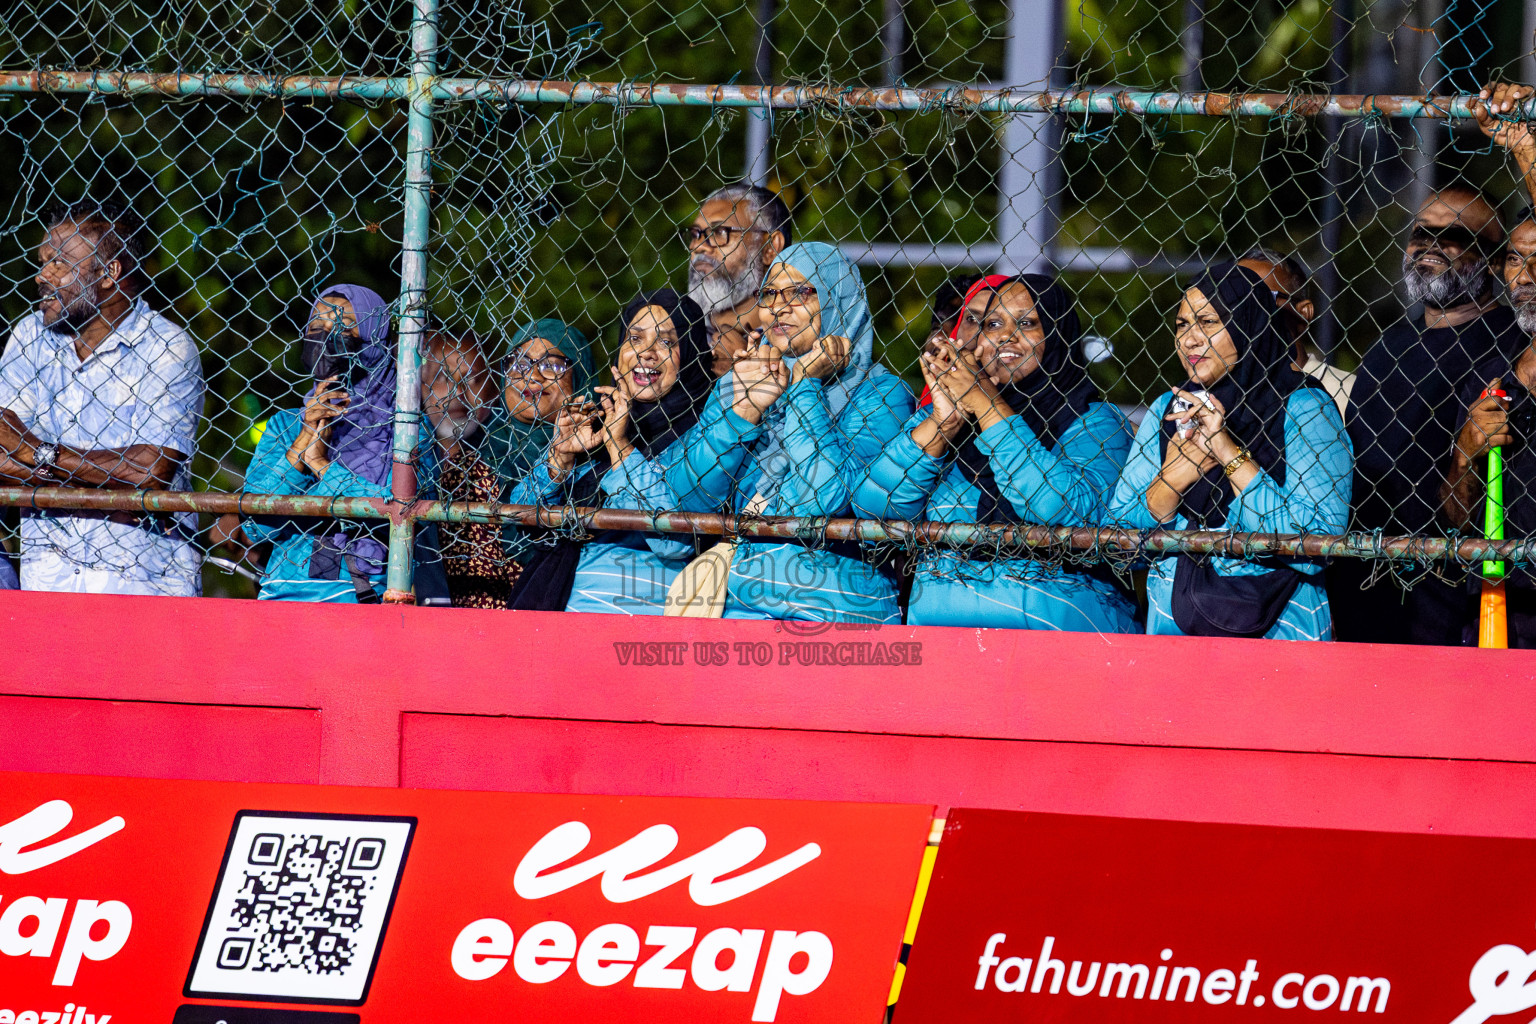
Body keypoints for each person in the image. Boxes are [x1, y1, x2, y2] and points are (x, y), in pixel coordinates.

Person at [852, 274, 1138, 631]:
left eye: (1027, 323)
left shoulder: (1092, 421)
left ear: (1057, 334)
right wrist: (945, 422)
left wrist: (988, 406)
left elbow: (1055, 507)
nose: (1006, 335)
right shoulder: (944, 414)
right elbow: (873, 506)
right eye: (994, 323)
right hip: (939, 627)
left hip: (1055, 630)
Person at [664, 241, 915, 622]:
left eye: (800, 291)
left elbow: (824, 501)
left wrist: (803, 387)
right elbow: (686, 500)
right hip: (733, 606)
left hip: (831, 608)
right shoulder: (741, 381)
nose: (779, 306)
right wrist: (742, 413)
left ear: (837, 299)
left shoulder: (883, 395)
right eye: (769, 293)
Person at [1109, 263, 1351, 640]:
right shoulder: (1167, 409)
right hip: (1174, 631)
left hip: (1280, 633)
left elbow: (1317, 540)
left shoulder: (1305, 406)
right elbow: (1117, 540)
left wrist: (1228, 454)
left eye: (1208, 322)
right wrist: (1172, 480)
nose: (1190, 339)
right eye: (1182, 325)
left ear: (1248, 324)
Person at [1329, 185, 1525, 645]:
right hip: (1363, 579)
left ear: (1495, 260)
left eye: (1452, 233)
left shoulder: (1512, 343)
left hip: (1457, 593)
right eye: (1420, 231)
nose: (1428, 242)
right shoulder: (1388, 346)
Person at [0, 199, 204, 596]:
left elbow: (149, 472)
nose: (42, 275)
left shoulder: (166, 346)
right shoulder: (30, 337)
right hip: (48, 578)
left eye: (59, 262)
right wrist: (110, 486)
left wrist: (35, 453)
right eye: (43, 261)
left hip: (145, 581)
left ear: (108, 273)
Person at [503, 291, 713, 613]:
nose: (647, 353)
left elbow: (673, 542)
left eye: (667, 342)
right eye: (635, 338)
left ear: (692, 353)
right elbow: (517, 516)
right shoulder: (598, 417)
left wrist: (620, 447)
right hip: (553, 603)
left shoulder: (703, 435)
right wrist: (560, 459)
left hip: (634, 615)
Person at [241, 284, 423, 602]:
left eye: (342, 326)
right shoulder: (285, 424)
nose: (326, 335)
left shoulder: (403, 430)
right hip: (283, 594)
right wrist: (301, 446)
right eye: (317, 325)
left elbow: (403, 516)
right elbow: (256, 528)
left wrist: (322, 467)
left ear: (374, 339)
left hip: (364, 596)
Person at [437, 319, 593, 609]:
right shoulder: (468, 471)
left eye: (553, 365)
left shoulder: (601, 458)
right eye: (519, 363)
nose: (532, 376)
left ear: (581, 377)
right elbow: (473, 591)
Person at [1441, 213, 1536, 645]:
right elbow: (1458, 520)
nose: (1527, 275)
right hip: (1501, 610)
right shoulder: (1489, 376)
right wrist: (1465, 452)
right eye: (1516, 258)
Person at [685, 184, 791, 377]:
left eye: (719, 232)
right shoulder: (674, 332)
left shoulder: (798, 344)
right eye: (695, 234)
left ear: (769, 248)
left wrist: (739, 375)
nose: (699, 246)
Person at [1237, 248, 1355, 415]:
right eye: (1233, 301)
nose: (1244, 312)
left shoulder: (1351, 393)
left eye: (1260, 298)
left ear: (1303, 312)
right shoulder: (1218, 395)